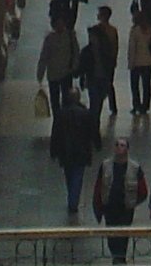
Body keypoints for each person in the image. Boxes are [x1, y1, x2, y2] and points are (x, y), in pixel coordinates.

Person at [93, 136, 146, 261]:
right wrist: (98, 207)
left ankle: (120, 258)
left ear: (127, 149)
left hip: (125, 209)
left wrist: (133, 202)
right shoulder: (105, 166)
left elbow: (143, 190)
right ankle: (116, 257)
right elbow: (99, 187)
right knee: (111, 236)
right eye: (117, 145)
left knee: (123, 236)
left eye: (122, 145)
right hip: (110, 208)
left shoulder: (135, 168)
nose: (119, 148)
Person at [50, 90, 100, 218]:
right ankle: (73, 201)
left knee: (69, 174)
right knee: (78, 175)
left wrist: (53, 150)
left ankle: (71, 197)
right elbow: (92, 130)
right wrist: (97, 144)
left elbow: (56, 133)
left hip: (66, 151)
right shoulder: (86, 114)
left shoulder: (61, 113)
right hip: (81, 150)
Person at [83, 4, 122, 119]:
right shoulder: (113, 30)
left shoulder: (95, 30)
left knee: (98, 85)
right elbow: (115, 46)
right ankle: (112, 105)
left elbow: (91, 49)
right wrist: (114, 59)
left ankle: (98, 104)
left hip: (98, 62)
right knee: (109, 83)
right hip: (109, 62)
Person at [38, 16, 80, 112]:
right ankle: (58, 117)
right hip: (55, 73)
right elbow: (44, 56)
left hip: (66, 72)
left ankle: (63, 117)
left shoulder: (70, 36)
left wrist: (74, 66)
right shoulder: (50, 38)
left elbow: (76, 52)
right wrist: (40, 72)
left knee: (65, 97)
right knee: (55, 98)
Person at [127, 9, 151, 115]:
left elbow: (132, 48)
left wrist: (130, 63)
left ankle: (136, 105)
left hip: (137, 62)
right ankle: (145, 106)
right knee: (146, 85)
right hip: (148, 62)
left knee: (135, 85)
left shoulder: (135, 31)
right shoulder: (150, 30)